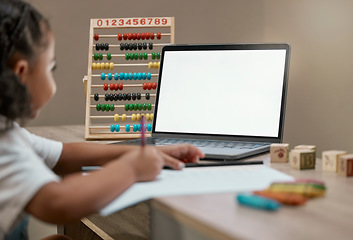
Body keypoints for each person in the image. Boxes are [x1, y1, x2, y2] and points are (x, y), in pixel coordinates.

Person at [0, 0, 205, 239]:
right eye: (50, 67)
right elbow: (57, 203)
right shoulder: (5, 145)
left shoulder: (10, 134)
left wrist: (148, 153)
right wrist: (131, 169)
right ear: (21, 73)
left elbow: (62, 156)